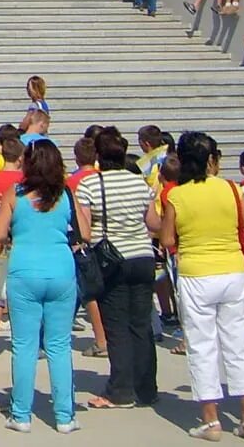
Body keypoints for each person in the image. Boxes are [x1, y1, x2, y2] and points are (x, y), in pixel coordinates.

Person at [161, 131, 244, 440]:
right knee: (239, 346)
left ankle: (211, 421)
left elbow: (167, 239)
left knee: (202, 346)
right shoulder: (232, 189)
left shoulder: (177, 196)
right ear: (211, 160)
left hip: (195, 272)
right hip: (233, 270)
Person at [0, 141, 89, 433]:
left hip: (24, 271)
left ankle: (21, 415)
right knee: (59, 345)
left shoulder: (15, 194)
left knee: (24, 345)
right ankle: (64, 415)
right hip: (61, 270)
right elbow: (86, 233)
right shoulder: (65, 194)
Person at [77, 127, 160, 409]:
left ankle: (121, 390)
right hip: (143, 257)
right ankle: (147, 388)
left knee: (117, 326)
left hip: (112, 260)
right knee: (141, 324)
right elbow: (154, 223)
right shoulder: (139, 184)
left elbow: (85, 231)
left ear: (98, 156)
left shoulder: (90, 185)